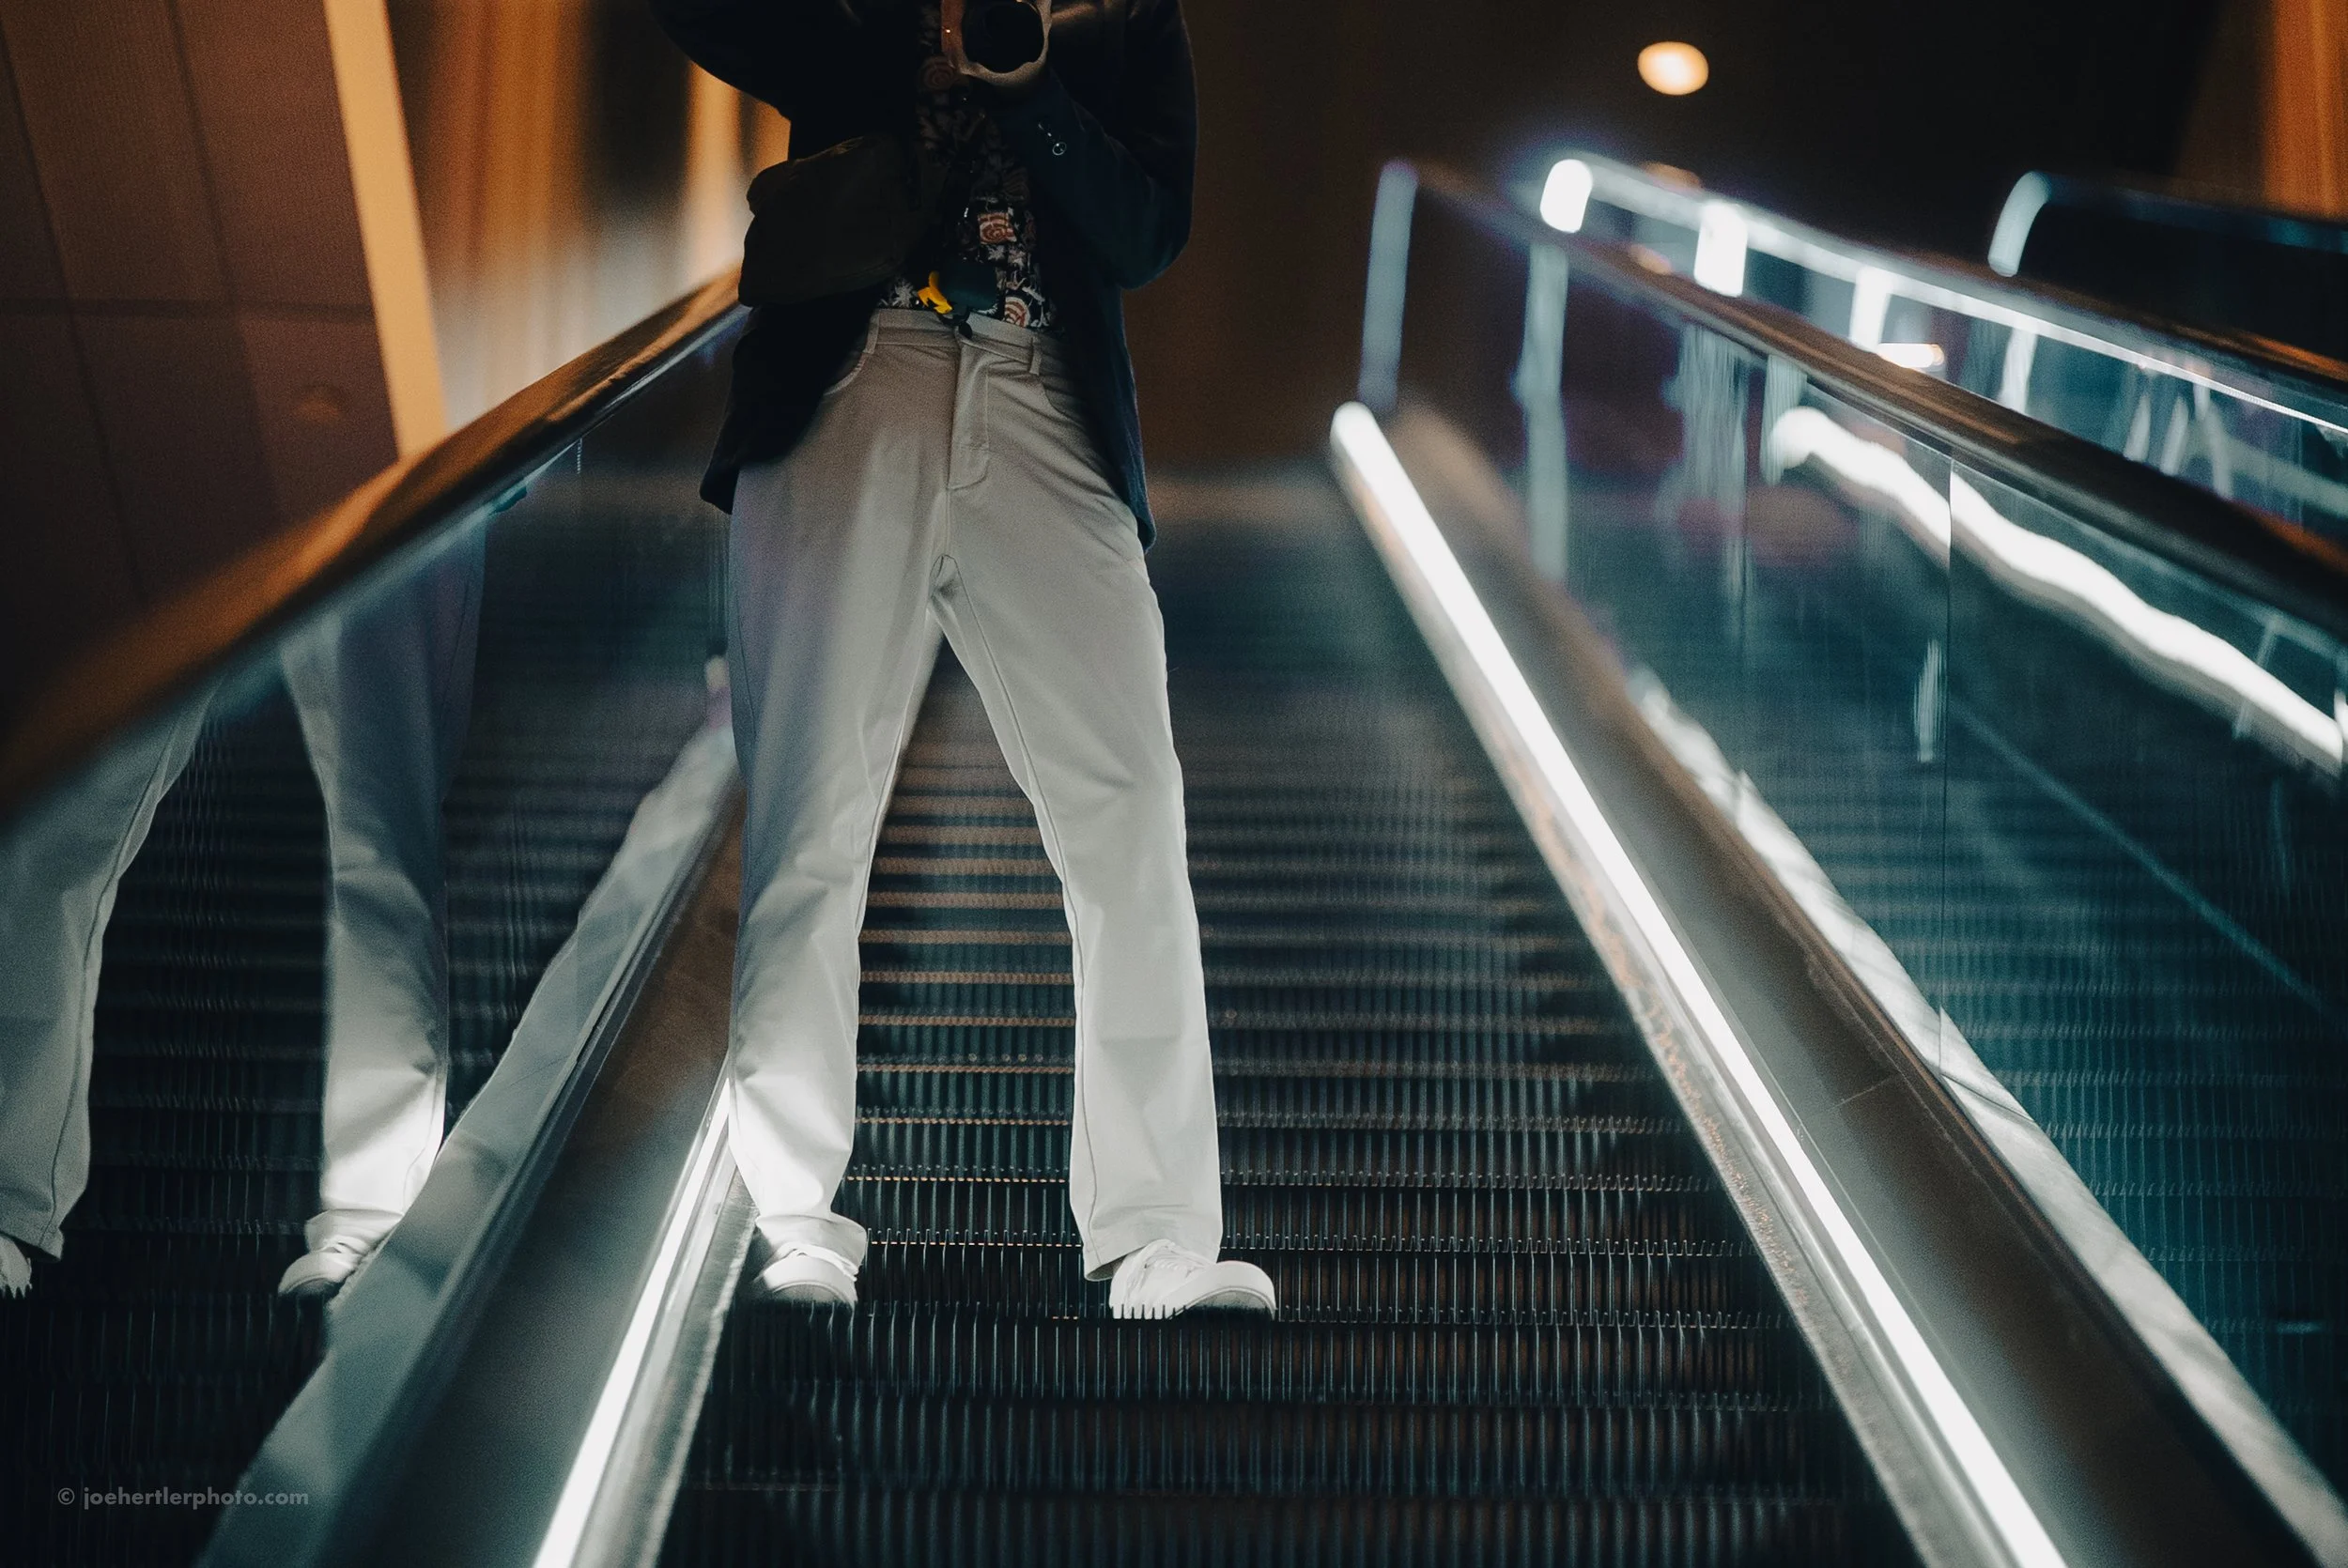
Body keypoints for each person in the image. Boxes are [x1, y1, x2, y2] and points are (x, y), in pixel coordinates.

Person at [650, 0, 1274, 1318]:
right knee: (812, 815)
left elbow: (1150, 231)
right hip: (850, 376)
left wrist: (1033, 81)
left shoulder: (1120, 12)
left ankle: (1158, 1229)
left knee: (1130, 812)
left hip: (1044, 393)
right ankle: (790, 1211)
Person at [0, 542, 482, 1303]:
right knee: (71, 803)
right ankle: (6, 1195)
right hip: (199, 445)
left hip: (403, 450)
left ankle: (374, 1216)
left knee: (378, 822)